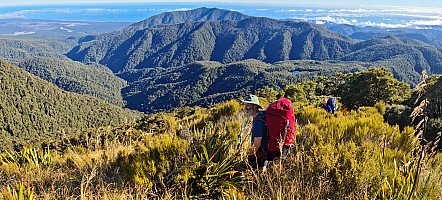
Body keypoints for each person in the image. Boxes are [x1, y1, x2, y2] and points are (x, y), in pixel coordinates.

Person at [242, 94, 268, 168]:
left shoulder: (258, 122)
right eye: (245, 105)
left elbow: (257, 144)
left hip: (260, 154)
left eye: (248, 105)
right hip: (265, 153)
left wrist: (248, 155)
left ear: (255, 106)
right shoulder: (261, 116)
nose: (246, 108)